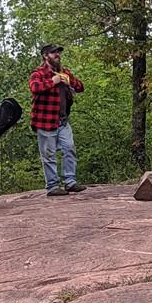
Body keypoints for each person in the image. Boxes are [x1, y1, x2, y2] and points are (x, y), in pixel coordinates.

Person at [29, 44, 87, 196]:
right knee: (49, 155)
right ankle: (52, 186)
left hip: (62, 120)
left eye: (58, 53)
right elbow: (34, 88)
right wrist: (53, 81)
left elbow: (81, 87)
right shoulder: (38, 73)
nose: (57, 55)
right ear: (45, 56)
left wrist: (71, 82)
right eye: (54, 53)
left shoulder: (64, 72)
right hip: (45, 121)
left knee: (69, 148)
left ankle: (70, 182)